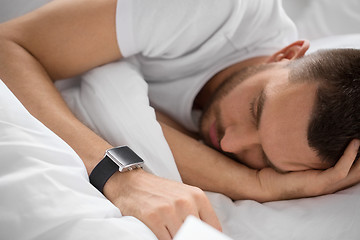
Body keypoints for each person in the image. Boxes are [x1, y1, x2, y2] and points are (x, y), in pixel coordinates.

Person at [0, 0, 359, 239]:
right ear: (286, 54)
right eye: (254, 109)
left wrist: (260, 186)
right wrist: (121, 177)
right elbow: (9, 45)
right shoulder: (209, 10)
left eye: (264, 157)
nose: (231, 143)